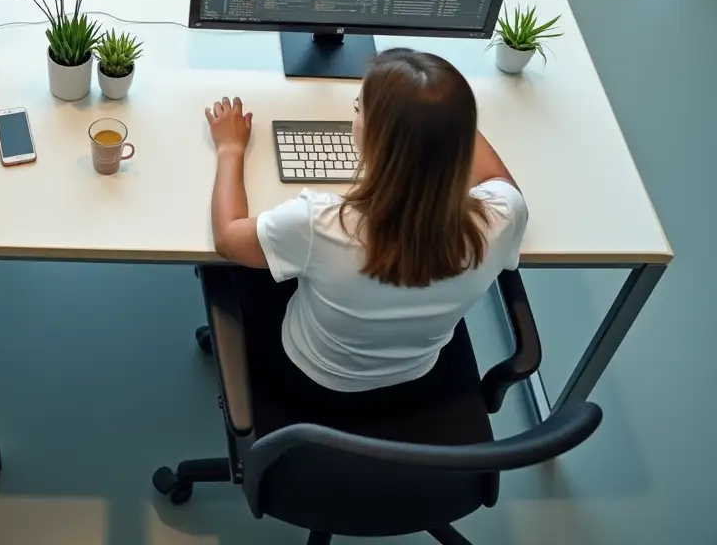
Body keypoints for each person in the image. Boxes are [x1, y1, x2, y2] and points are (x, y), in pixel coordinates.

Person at [203, 48, 529, 436]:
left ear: (376, 138)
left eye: (359, 108)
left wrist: (230, 149)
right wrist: (441, 115)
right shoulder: (502, 216)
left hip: (312, 380)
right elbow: (501, 182)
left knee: (242, 265)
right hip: (416, 376)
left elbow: (228, 235)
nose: (354, 114)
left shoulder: (322, 224)